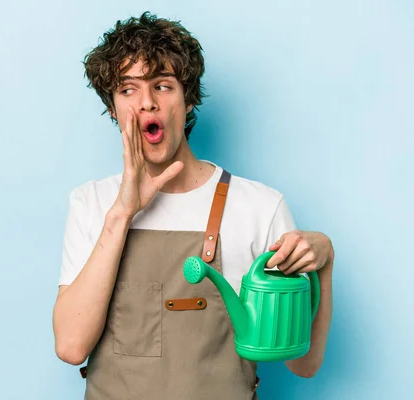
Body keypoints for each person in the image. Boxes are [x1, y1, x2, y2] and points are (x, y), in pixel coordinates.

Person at [52, 11, 334, 400]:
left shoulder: (259, 207)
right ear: (114, 108)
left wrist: (325, 261)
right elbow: (70, 346)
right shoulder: (92, 202)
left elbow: (303, 365)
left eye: (163, 86)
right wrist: (121, 215)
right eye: (128, 89)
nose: (147, 103)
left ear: (188, 101)